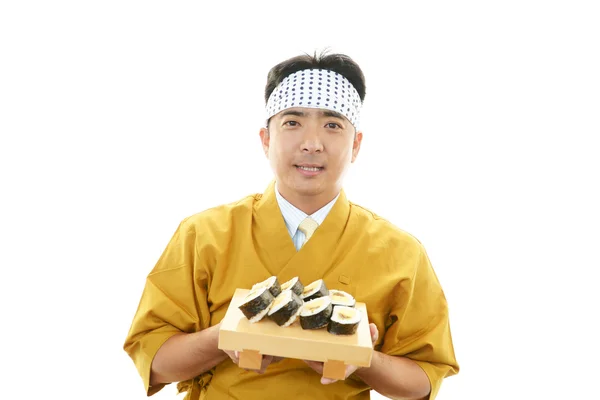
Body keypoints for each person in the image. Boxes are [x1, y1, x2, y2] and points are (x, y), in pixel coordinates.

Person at [123, 50, 459, 400]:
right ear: (266, 139)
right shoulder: (203, 234)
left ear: (356, 144)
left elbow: (424, 379)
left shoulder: (401, 251)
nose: (312, 144)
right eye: (292, 123)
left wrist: (362, 359)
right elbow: (155, 359)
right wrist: (226, 336)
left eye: (332, 125)